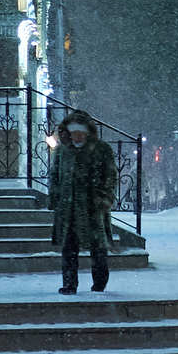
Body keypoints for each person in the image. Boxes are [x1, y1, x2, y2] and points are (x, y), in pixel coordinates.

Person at [50, 110, 118, 293]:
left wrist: (104, 199)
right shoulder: (63, 151)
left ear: (87, 133)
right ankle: (69, 284)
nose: (78, 137)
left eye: (81, 133)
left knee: (98, 248)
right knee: (69, 248)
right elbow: (55, 175)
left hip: (93, 207)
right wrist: (56, 197)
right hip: (69, 207)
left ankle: (99, 284)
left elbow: (110, 176)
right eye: (74, 133)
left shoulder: (101, 150)